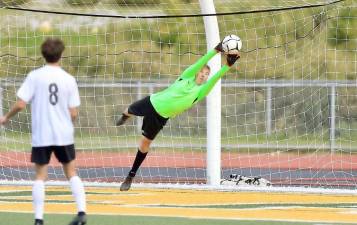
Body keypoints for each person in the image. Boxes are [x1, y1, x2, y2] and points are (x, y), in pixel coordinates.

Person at [116, 42, 240, 191]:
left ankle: (131, 175)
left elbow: (215, 79)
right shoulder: (186, 76)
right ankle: (125, 116)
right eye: (202, 72)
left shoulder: (200, 92)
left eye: (207, 74)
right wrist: (215, 50)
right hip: (151, 102)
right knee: (128, 110)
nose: (204, 75)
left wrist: (227, 65)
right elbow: (200, 62)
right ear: (196, 72)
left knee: (144, 144)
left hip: (160, 117)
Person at [0, 38, 87, 225]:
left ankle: (39, 219)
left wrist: (6, 117)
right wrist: (66, 121)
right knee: (71, 172)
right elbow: (73, 112)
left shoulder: (35, 76)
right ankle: (81, 213)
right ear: (61, 54)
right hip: (63, 134)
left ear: (43, 54)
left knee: (40, 176)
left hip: (42, 135)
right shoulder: (68, 79)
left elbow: (21, 104)